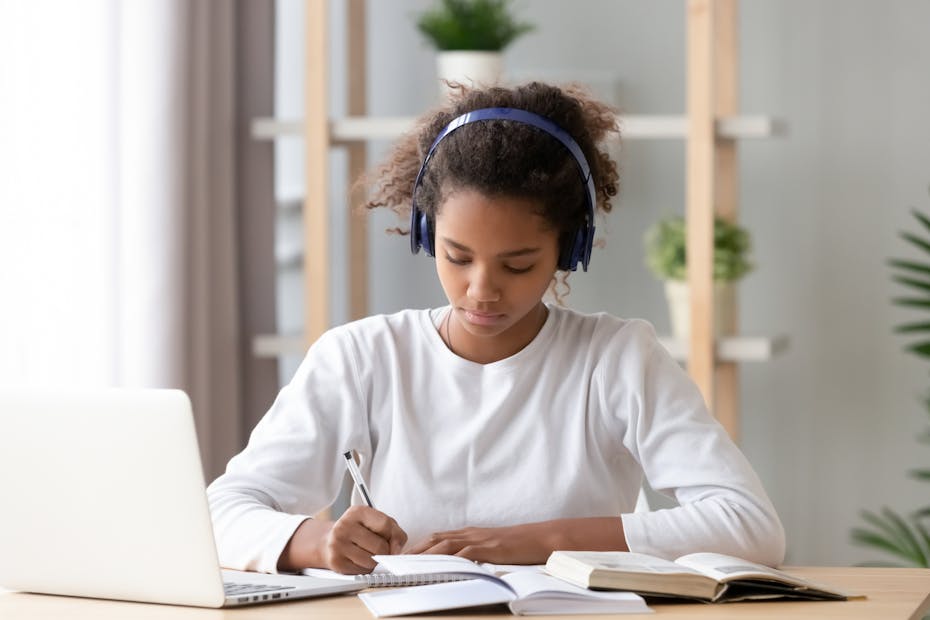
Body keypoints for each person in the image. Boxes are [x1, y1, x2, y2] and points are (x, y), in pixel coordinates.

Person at [207, 81, 785, 576]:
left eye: (517, 265)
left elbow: (751, 525)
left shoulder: (617, 358)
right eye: (458, 257)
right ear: (427, 235)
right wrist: (315, 542)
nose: (481, 289)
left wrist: (537, 542)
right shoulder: (361, 356)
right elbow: (220, 511)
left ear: (569, 249)